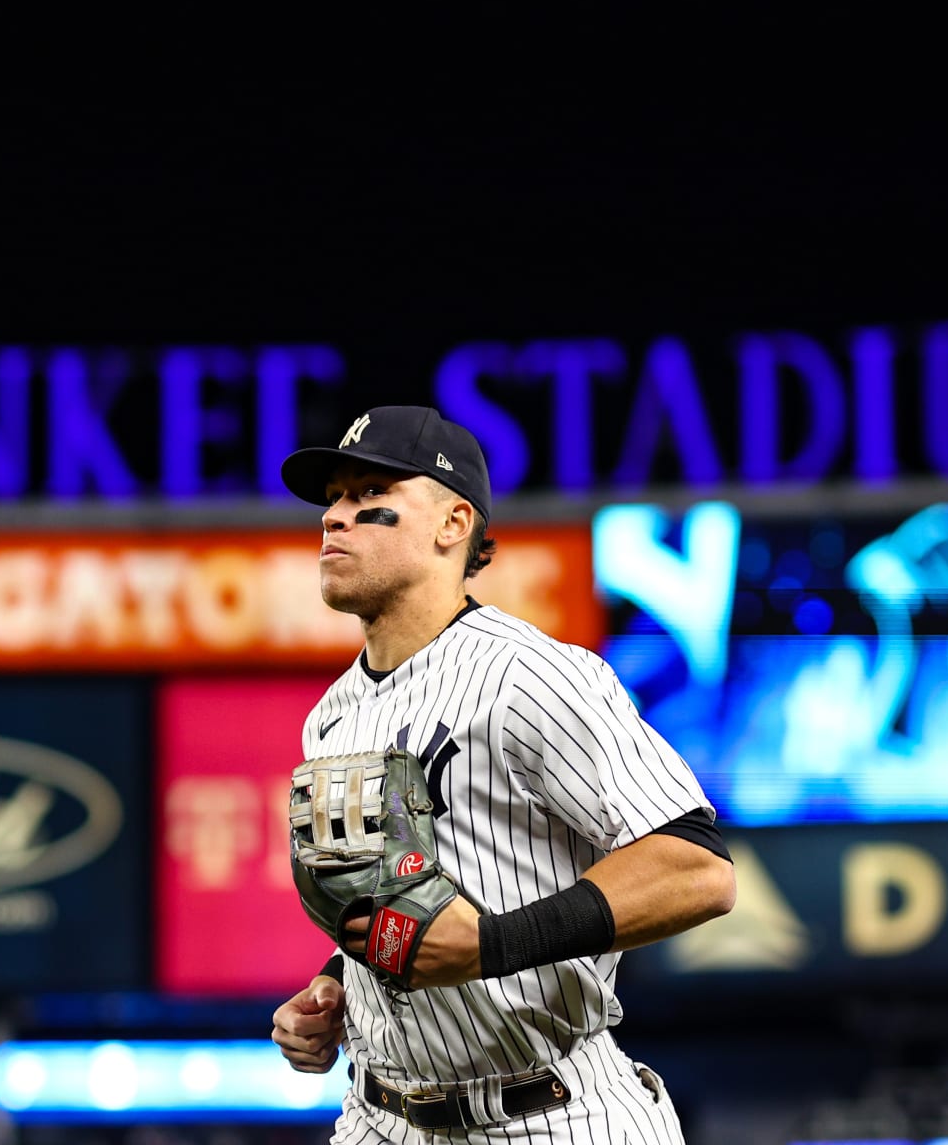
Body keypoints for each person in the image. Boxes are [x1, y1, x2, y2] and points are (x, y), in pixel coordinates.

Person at [270, 405, 736, 1143]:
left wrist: (492, 945)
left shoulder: (530, 675)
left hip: (549, 1111)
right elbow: (388, 896)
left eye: (369, 497)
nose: (334, 517)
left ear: (453, 524)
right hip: (378, 1115)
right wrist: (335, 984)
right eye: (333, 497)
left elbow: (698, 871)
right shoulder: (331, 715)